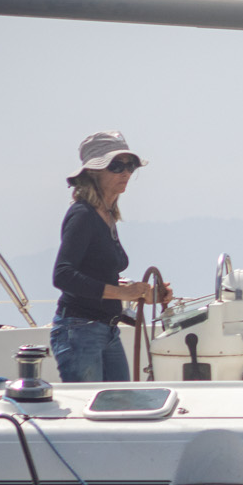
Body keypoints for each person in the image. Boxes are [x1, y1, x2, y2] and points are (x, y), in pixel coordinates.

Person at [52, 132, 166, 382]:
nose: (125, 173)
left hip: (104, 330)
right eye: (116, 166)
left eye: (130, 166)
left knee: (121, 401)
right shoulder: (83, 215)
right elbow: (63, 275)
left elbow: (96, 272)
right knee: (96, 403)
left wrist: (142, 294)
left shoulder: (106, 216)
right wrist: (123, 293)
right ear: (94, 173)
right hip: (80, 331)